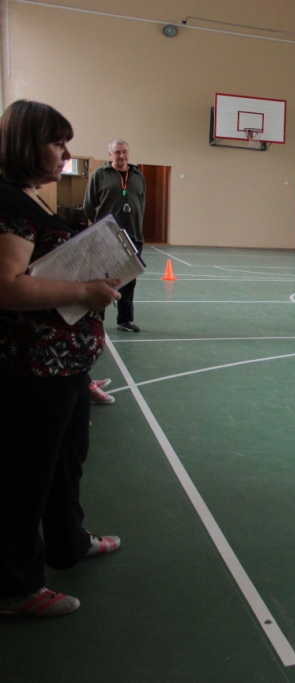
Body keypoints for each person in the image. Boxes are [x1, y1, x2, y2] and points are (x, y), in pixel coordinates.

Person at [0, 100, 122, 618]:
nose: (65, 153)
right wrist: (83, 291)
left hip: (65, 364)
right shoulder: (9, 201)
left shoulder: (30, 198)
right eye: (57, 143)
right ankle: (15, 588)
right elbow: (7, 286)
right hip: (32, 368)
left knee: (66, 461)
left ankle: (68, 542)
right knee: (25, 478)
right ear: (28, 145)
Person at [83, 138, 146, 333]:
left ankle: (125, 320)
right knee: (102, 277)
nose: (122, 155)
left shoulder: (138, 175)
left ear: (129, 153)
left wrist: (136, 224)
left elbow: (141, 203)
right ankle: (97, 317)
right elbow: (88, 205)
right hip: (106, 236)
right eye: (117, 152)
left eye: (124, 151)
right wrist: (102, 226)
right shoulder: (100, 175)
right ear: (110, 154)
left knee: (129, 279)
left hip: (133, 235)